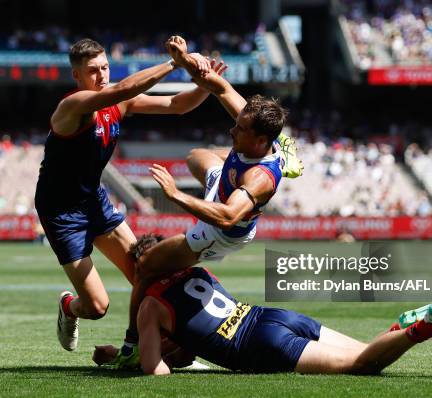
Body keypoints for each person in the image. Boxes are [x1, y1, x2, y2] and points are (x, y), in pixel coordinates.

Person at [113, 36, 302, 362]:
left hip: (222, 232)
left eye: (240, 130)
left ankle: (129, 348)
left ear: (260, 141)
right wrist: (185, 59)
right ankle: (282, 147)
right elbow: (215, 84)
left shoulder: (259, 178)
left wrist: (175, 195)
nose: (232, 131)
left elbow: (228, 217)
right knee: (195, 156)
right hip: (226, 187)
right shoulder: (250, 127)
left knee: (145, 266)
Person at [34, 36, 225, 352]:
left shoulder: (118, 102)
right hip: (62, 213)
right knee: (97, 307)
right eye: (93, 70)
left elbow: (178, 105)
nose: (102, 75)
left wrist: (206, 84)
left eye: (106, 67)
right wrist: (173, 63)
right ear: (77, 77)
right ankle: (69, 307)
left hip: (94, 200)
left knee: (145, 271)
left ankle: (156, 343)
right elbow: (122, 89)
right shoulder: (71, 106)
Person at [95, 234, 432, 375]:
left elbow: (158, 369)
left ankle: (428, 326)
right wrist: (121, 354)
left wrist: (127, 359)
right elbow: (187, 342)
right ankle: (408, 322)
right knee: (367, 354)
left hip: (260, 346)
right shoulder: (198, 274)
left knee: (363, 366)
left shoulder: (149, 304)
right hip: (269, 316)